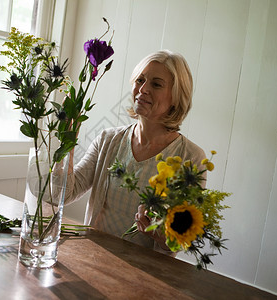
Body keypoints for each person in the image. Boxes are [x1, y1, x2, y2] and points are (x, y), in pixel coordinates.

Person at [63, 50, 206, 254]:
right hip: (94, 259)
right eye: (140, 80)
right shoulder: (108, 139)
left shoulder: (191, 158)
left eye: (156, 84)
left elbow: (183, 241)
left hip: (146, 276)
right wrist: (67, 144)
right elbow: (66, 193)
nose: (143, 89)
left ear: (176, 96)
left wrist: (159, 234)